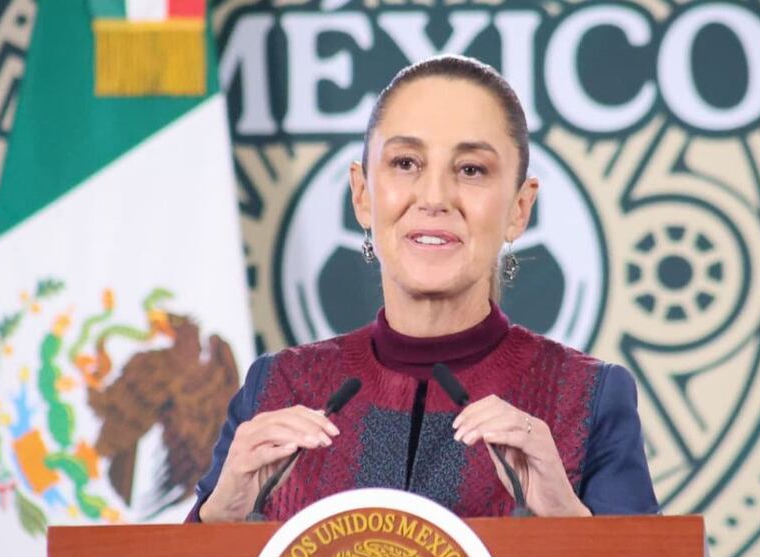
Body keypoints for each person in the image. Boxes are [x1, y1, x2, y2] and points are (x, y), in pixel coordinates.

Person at [188, 55, 659, 523]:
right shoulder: (276, 388)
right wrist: (220, 517)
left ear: (519, 208)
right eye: (406, 162)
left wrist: (565, 517)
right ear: (362, 195)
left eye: (471, 169)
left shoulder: (587, 398)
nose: (434, 198)